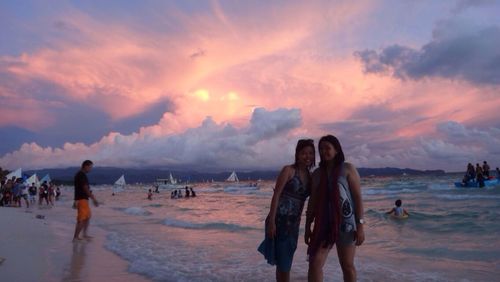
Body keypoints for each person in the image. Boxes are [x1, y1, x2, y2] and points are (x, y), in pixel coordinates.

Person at [305, 135, 365, 282]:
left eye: (327, 148)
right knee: (314, 264)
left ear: (336, 150)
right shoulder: (317, 174)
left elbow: (357, 198)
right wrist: (307, 225)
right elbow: (312, 201)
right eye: (321, 149)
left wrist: (360, 225)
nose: (324, 151)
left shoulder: (348, 169)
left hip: (347, 225)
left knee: (347, 265)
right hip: (323, 224)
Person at [258, 139, 315, 282]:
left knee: (285, 261)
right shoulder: (288, 170)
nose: (307, 156)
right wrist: (271, 222)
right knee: (284, 263)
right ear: (297, 154)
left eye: (310, 153)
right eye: (303, 153)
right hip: (279, 221)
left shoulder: (310, 177)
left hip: (293, 225)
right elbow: (276, 195)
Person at [73, 160, 99, 242]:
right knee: (82, 219)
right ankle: (75, 237)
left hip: (82, 199)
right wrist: (93, 199)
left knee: (87, 217)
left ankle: (84, 234)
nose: (91, 169)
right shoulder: (81, 175)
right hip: (82, 199)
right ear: (86, 166)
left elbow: (83, 188)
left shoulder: (81, 174)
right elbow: (85, 188)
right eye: (90, 167)